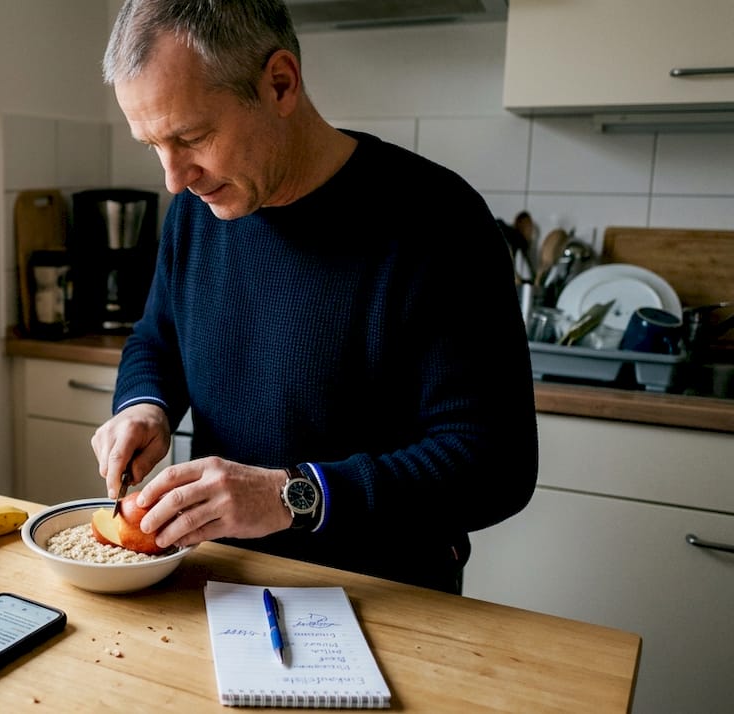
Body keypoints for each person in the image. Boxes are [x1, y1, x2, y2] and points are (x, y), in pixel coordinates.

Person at [90, 0, 538, 594]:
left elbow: (495, 466)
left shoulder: (440, 222)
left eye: (192, 136)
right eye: (153, 145)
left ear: (280, 83)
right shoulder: (196, 211)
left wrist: (291, 496)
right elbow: (159, 335)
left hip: (390, 598)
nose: (174, 178)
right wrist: (145, 406)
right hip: (225, 584)